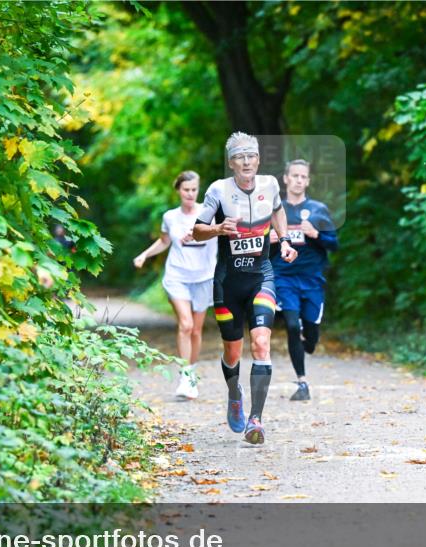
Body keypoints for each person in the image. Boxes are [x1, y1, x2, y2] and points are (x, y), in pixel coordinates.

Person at [191, 131, 298, 444]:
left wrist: (286, 239)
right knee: (233, 351)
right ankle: (234, 393)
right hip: (227, 283)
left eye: (251, 155)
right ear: (231, 162)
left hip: (261, 275)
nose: (247, 161)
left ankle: (257, 420)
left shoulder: (270, 185)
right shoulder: (218, 190)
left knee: (262, 342)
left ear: (259, 159)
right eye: (240, 157)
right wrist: (216, 229)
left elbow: (278, 210)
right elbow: (196, 230)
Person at [134, 171, 217, 399]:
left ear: (198, 190)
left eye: (193, 190)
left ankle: (192, 373)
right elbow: (163, 241)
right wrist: (144, 255)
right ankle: (185, 376)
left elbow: (222, 234)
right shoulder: (170, 217)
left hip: (204, 277)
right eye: (186, 190)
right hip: (177, 276)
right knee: (186, 324)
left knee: (197, 330)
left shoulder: (209, 213)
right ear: (178, 191)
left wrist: (201, 234)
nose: (190, 194)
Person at [269, 159, 339, 401]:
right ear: (286, 179)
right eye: (294, 176)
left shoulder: (319, 210)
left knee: (310, 338)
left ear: (307, 181)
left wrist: (316, 234)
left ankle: (307, 341)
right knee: (290, 325)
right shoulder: (276, 211)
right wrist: (270, 241)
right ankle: (302, 382)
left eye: (303, 177)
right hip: (283, 276)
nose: (299, 180)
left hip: (312, 279)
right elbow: (259, 249)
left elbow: (334, 244)